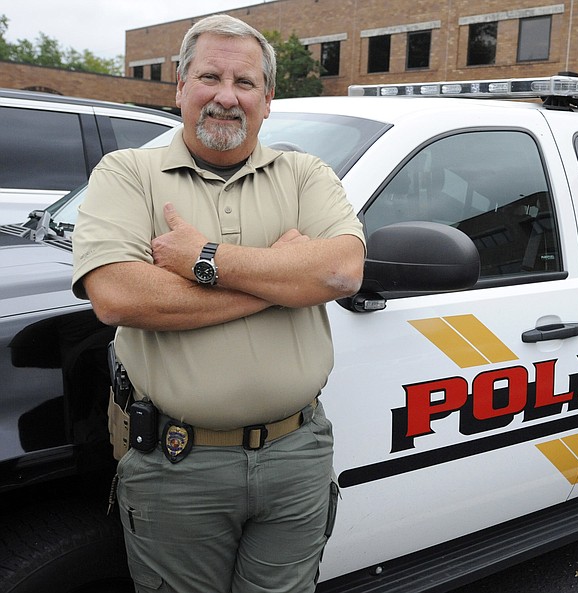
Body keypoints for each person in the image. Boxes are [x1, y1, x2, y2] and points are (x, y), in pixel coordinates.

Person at [71, 14, 365, 593]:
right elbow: (117, 296)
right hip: (175, 466)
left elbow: (339, 271)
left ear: (268, 97)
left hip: (296, 456)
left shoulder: (305, 175)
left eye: (245, 82)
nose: (226, 97)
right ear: (180, 85)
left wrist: (203, 259)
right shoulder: (128, 173)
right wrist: (279, 281)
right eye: (209, 77)